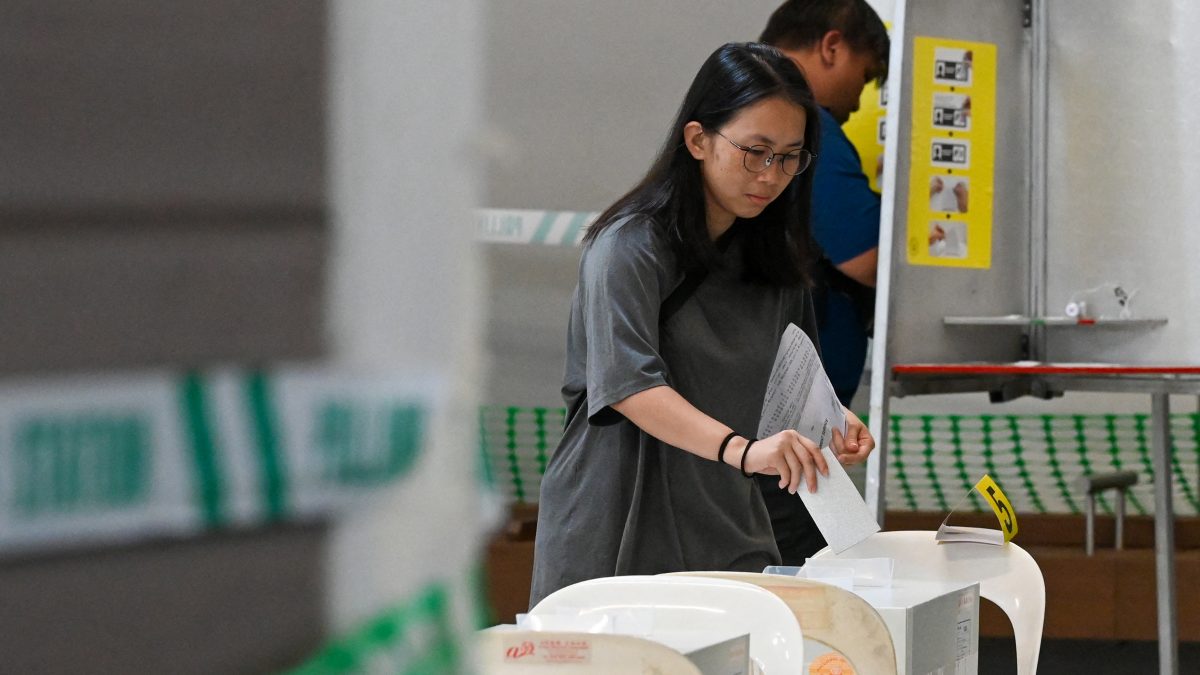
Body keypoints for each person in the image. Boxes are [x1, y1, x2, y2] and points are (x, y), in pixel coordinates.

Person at [529, 42, 874, 608]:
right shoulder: (629, 246)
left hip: (724, 517)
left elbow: (787, 380)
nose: (771, 175)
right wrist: (744, 452)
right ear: (698, 140)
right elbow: (630, 386)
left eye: (790, 157)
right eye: (755, 151)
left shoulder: (778, 263)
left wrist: (829, 423)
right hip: (619, 516)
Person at [758, 0, 889, 564]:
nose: (862, 98)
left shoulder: (764, 121)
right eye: (864, 76)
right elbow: (866, 257)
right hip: (781, 422)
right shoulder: (812, 128)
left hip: (785, 413)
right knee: (797, 582)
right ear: (831, 46)